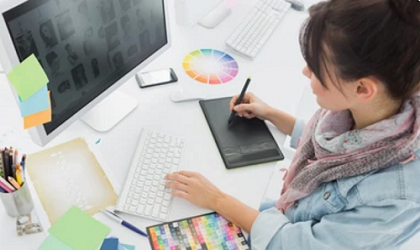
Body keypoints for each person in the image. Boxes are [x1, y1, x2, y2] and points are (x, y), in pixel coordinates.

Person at [165, 0, 420, 249]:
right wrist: (272, 114)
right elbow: (339, 144)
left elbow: (292, 243)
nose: (305, 72)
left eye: (317, 68)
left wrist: (216, 199)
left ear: (362, 88)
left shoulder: (394, 197)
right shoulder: (383, 107)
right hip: (285, 214)